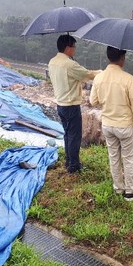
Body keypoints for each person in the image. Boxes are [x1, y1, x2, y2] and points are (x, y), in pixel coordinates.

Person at [90, 46, 133, 201]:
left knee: (113, 156)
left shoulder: (99, 78)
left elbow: (93, 101)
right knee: (128, 157)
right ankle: (131, 192)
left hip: (107, 125)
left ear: (108, 57)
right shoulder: (128, 78)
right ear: (122, 58)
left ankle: (118, 188)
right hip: (125, 125)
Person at [48, 34, 99, 174]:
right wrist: (103, 73)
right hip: (71, 105)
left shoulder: (52, 61)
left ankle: (68, 161)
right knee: (74, 136)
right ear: (68, 48)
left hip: (60, 104)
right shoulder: (69, 64)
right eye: (74, 47)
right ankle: (74, 166)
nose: (75, 49)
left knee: (67, 134)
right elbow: (87, 74)